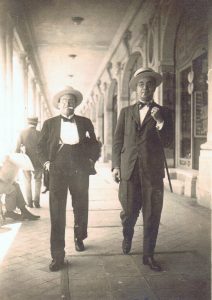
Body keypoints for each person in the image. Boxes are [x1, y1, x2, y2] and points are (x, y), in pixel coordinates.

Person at [112, 67, 173, 272]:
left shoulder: (164, 112)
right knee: (129, 212)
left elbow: (168, 143)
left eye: (149, 84)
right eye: (140, 84)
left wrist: (160, 122)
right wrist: (115, 166)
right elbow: (117, 140)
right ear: (135, 89)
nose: (145, 88)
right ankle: (127, 235)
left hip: (152, 172)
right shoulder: (125, 112)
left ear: (154, 87)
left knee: (152, 214)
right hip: (129, 171)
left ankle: (149, 255)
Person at [37, 86, 100, 272]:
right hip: (57, 172)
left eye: (71, 101)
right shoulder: (49, 124)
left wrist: (91, 159)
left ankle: (79, 237)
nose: (68, 104)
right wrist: (46, 163)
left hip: (80, 171)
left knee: (80, 207)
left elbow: (94, 144)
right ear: (58, 105)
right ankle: (58, 255)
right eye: (64, 101)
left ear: (75, 105)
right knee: (57, 213)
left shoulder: (85, 122)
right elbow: (39, 147)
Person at [16, 117, 43, 208]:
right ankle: (37, 202)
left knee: (27, 181)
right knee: (38, 181)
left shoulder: (22, 133)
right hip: (38, 161)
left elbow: (17, 149)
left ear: (28, 123)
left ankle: (29, 203)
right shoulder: (40, 133)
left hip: (26, 161)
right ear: (36, 124)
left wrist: (18, 159)